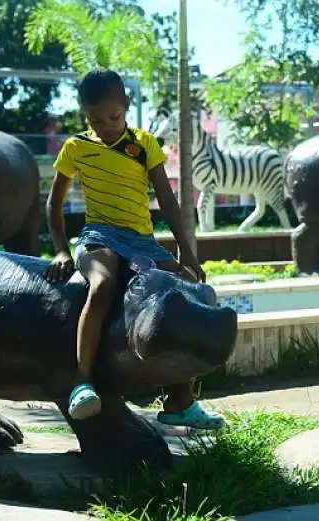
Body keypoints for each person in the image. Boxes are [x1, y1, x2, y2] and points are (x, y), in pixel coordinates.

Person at [44, 68, 225, 430]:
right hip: (99, 237)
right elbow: (54, 203)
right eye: (95, 119)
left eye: (113, 117)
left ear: (126, 105)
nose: (105, 126)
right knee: (102, 286)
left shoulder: (144, 144)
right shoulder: (76, 147)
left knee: (190, 290)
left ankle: (181, 400)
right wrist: (62, 250)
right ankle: (81, 383)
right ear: (84, 115)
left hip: (142, 241)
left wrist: (186, 253)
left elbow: (167, 199)